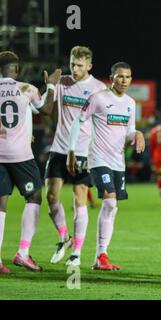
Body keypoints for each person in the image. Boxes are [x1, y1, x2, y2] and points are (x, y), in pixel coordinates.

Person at [67, 62, 145, 270]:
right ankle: (101, 255)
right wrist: (72, 150)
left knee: (113, 206)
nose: (124, 81)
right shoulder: (98, 98)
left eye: (128, 77)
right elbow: (78, 121)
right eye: (120, 76)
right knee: (109, 202)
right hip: (98, 159)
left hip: (117, 162)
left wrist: (137, 135)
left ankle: (100, 256)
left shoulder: (130, 102)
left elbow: (129, 131)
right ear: (111, 78)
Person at [43, 46, 106, 266]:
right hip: (59, 148)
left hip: (83, 151)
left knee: (80, 199)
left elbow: (101, 123)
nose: (75, 69)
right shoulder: (62, 83)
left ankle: (77, 252)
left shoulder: (99, 88)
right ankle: (64, 237)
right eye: (72, 64)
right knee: (51, 197)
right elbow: (43, 107)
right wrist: (50, 86)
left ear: (89, 65)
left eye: (79, 65)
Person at [0, 50, 61, 273]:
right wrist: (51, 85)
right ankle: (23, 253)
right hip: (20, 156)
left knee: (1, 203)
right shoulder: (26, 88)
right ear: (16, 69)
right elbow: (45, 109)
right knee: (34, 196)